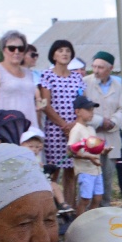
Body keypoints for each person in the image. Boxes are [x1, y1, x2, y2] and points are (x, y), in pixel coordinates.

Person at [84, 50, 122, 203]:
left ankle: (105, 208)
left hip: (111, 137)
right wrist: (99, 121)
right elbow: (81, 110)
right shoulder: (85, 83)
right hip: (91, 135)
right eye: (94, 67)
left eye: (100, 68)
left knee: (107, 178)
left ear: (110, 69)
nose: (96, 71)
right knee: (90, 177)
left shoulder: (120, 86)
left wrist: (112, 122)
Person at [39, 39, 84, 189]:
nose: (64, 53)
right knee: (54, 170)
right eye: (60, 51)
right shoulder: (47, 76)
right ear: (53, 55)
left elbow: (81, 102)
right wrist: (64, 125)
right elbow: (45, 104)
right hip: (55, 129)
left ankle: (69, 209)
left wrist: (75, 125)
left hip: (74, 128)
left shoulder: (77, 77)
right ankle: (54, 207)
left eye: (67, 51)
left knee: (71, 171)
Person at [0, 30, 39, 130]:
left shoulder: (29, 73)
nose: (16, 52)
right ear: (3, 50)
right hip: (6, 128)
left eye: (21, 48)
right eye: (12, 48)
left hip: (29, 128)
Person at [68, 95, 106, 214]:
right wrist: (88, 157)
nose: (92, 113)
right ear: (78, 112)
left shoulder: (91, 129)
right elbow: (70, 150)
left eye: (92, 110)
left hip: (96, 169)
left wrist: (104, 150)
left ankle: (91, 219)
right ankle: (79, 222)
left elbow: (94, 148)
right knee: (85, 199)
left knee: (98, 197)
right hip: (85, 170)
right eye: (88, 110)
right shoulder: (76, 129)